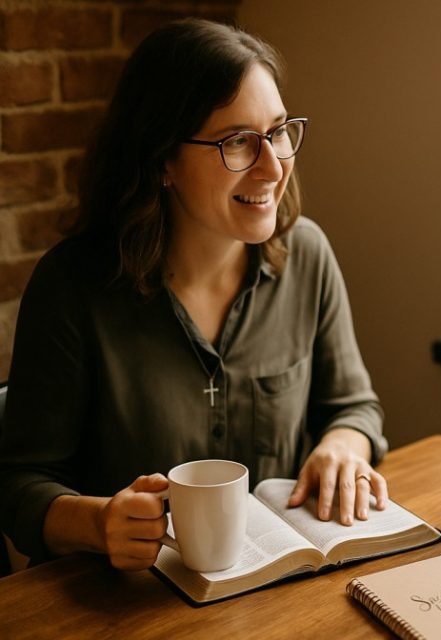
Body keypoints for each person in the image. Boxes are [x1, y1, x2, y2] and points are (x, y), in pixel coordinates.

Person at [0, 19, 389, 572]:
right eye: (237, 141)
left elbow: (354, 406)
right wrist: (97, 522)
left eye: (278, 132)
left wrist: (343, 447)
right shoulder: (72, 287)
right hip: (128, 615)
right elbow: (18, 485)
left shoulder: (307, 255)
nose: (273, 166)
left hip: (284, 598)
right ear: (162, 160)